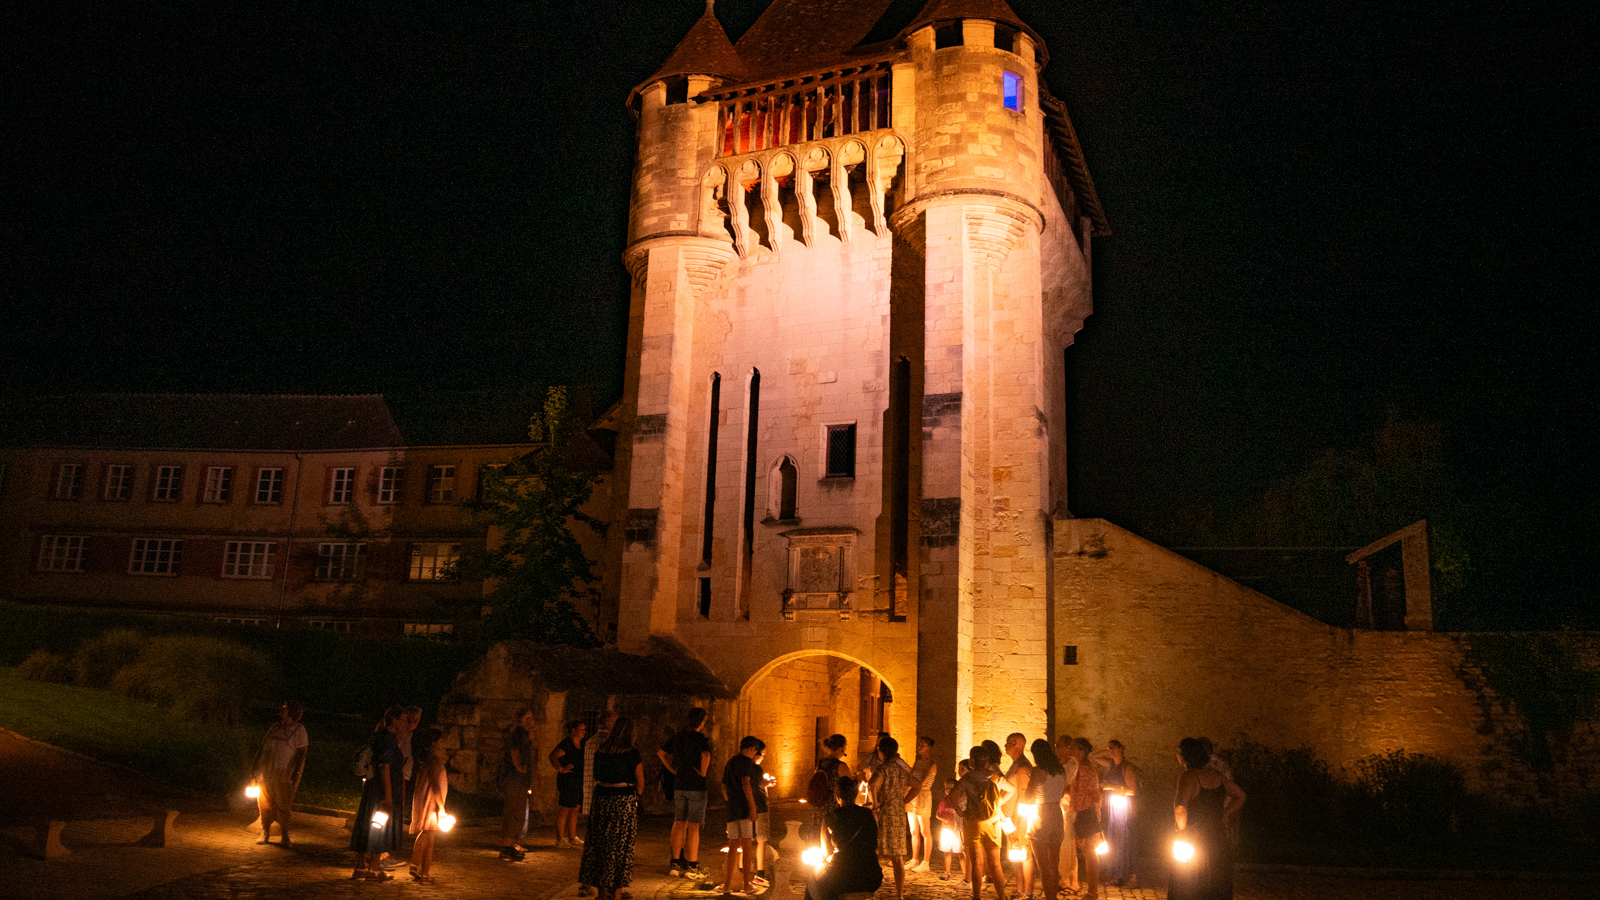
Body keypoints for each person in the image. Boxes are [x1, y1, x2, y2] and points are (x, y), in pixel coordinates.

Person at [1170, 738, 1246, 900]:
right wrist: (1225, 815)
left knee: (1190, 885)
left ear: (1183, 757)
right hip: (1218, 838)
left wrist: (1181, 832)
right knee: (1216, 884)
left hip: (1195, 839)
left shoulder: (1189, 776)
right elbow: (1240, 796)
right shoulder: (1217, 776)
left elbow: (1180, 808)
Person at [579, 717, 645, 900]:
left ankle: (601, 892)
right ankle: (616, 892)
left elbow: (597, 775)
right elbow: (640, 781)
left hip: (602, 799)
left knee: (600, 845)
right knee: (620, 847)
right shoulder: (632, 753)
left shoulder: (602, 750)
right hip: (623, 801)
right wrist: (634, 798)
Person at [351, 707, 405, 881]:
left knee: (368, 823)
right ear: (395, 720)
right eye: (403, 719)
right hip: (382, 790)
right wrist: (388, 796)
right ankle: (374, 869)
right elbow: (385, 767)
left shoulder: (378, 735)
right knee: (380, 826)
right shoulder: (388, 739)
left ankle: (360, 866)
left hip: (372, 789)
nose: (405, 723)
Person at [806, 776, 883, 900]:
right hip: (871, 876)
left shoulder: (830, 817)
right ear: (856, 795)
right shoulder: (869, 814)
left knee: (813, 879)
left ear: (837, 796)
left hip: (842, 876)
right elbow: (875, 842)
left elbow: (826, 854)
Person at [659, 707, 712, 878]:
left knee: (679, 822)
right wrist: (703, 772)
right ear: (702, 722)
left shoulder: (679, 737)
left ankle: (675, 863)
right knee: (694, 826)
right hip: (696, 786)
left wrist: (673, 770)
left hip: (680, 784)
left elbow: (661, 753)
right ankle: (692, 865)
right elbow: (705, 755)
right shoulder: (700, 739)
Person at [957, 744, 1011, 900]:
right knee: (995, 863)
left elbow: (953, 795)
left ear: (972, 761)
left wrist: (961, 812)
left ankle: (977, 896)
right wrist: (998, 804)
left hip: (973, 822)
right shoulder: (994, 777)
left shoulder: (968, 778)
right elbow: (1012, 790)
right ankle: (1002, 896)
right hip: (993, 822)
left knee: (977, 863)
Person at [253, 700, 308, 846]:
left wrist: (296, 771)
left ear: (292, 712)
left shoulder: (299, 730)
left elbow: (301, 753)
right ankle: (265, 833)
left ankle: (285, 835)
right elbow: (262, 747)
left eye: (285, 708)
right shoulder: (274, 727)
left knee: (283, 805)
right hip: (266, 773)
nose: (281, 710)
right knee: (264, 804)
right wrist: (255, 767)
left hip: (284, 774)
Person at [868, 736, 911, 900]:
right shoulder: (901, 770)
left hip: (884, 814)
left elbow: (872, 784)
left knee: (876, 851)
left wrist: (875, 803)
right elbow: (917, 785)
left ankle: (872, 890)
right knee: (897, 856)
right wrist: (903, 800)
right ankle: (899, 894)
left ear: (881, 751)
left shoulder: (883, 769)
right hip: (898, 812)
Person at [720, 736, 762, 896]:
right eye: (754, 751)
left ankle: (727, 884)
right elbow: (746, 783)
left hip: (732, 808)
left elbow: (723, 785)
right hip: (744, 808)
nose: (754, 754)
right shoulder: (747, 763)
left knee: (732, 846)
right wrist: (752, 807)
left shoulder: (731, 762)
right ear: (751, 749)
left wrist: (730, 800)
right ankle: (746, 884)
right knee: (746, 845)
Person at [1028, 739, 1068, 900]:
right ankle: (1053, 896)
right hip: (1057, 814)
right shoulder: (1061, 771)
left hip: (1041, 814)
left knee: (1043, 865)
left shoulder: (1037, 771)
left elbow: (1028, 796)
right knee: (1054, 863)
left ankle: (1050, 897)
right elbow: (1062, 792)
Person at [408, 727, 449, 884]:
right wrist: (441, 808)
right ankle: (418, 867)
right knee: (427, 834)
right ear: (434, 743)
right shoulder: (433, 760)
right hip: (430, 801)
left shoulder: (430, 759)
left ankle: (421, 871)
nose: (444, 743)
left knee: (429, 835)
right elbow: (434, 784)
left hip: (428, 799)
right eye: (441, 740)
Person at [1096, 739, 1138, 887]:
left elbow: (1131, 790)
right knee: (1113, 839)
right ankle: (1114, 872)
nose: (1111, 751)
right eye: (1109, 749)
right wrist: (1105, 749)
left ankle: (1123, 875)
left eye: (1114, 748)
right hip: (1113, 806)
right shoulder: (1112, 764)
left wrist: (1110, 787)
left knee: (1121, 840)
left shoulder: (1127, 768)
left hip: (1123, 807)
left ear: (1122, 748)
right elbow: (1094, 757)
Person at [1065, 738, 1103, 900]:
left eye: (1073, 748)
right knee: (1080, 850)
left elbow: (1093, 794)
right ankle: (1074, 884)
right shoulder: (1077, 767)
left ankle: (1092, 892)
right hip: (1078, 812)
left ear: (1081, 751)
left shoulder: (1086, 770)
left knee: (1089, 852)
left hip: (1085, 813)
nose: (1070, 750)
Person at [499, 708, 535, 861]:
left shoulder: (524, 735)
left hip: (520, 780)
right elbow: (515, 751)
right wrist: (519, 767)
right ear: (523, 720)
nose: (532, 721)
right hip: (515, 779)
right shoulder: (518, 733)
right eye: (529, 718)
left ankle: (511, 844)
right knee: (514, 812)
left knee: (519, 813)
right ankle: (507, 846)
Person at [1003, 733, 1035, 900]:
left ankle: (1027, 893)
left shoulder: (1022, 767)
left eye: (1008, 742)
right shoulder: (1015, 765)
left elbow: (1023, 797)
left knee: (1024, 854)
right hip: (1008, 819)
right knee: (1014, 854)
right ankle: (1019, 889)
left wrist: (1016, 823)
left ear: (1015, 743)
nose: (1004, 745)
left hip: (1018, 820)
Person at [551, 719, 587, 848]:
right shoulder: (567, 744)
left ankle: (572, 837)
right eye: (581, 729)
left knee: (575, 808)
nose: (584, 732)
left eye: (584, 729)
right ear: (573, 731)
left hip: (578, 780)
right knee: (565, 808)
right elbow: (553, 756)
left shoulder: (582, 744)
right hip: (568, 781)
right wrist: (561, 769)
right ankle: (560, 838)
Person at [1054, 734, 1080, 894]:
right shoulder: (1059, 764)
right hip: (1060, 803)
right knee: (1064, 843)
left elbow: (1066, 783)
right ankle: (1065, 878)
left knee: (1067, 843)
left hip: (1067, 805)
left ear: (1068, 747)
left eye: (1059, 746)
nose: (1056, 749)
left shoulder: (1072, 764)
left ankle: (1070, 880)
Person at [907, 737, 938, 872]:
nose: (919, 747)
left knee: (925, 830)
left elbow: (923, 782)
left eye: (922, 745)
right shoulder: (917, 762)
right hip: (914, 794)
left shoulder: (932, 764)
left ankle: (926, 862)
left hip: (923, 795)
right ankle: (914, 859)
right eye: (918, 744)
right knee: (913, 830)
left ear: (929, 748)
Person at [934, 776, 963, 881]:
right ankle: (947, 872)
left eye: (951, 788)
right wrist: (944, 820)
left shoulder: (959, 802)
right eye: (946, 788)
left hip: (957, 830)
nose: (948, 790)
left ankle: (966, 875)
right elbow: (937, 814)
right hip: (946, 829)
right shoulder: (943, 802)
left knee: (960, 852)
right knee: (947, 851)